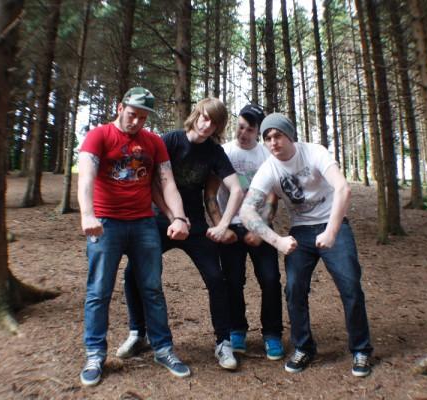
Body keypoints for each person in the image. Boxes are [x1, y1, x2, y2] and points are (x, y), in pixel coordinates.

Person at [240, 113, 373, 376]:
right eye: (267, 138)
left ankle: (361, 350)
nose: (273, 142)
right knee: (294, 288)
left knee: (350, 285)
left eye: (278, 135)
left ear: (290, 135)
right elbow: (246, 211)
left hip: (333, 224)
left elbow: (343, 189)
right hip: (301, 230)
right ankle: (303, 347)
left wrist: (331, 232)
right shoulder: (269, 168)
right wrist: (277, 240)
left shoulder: (314, 152)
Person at [117, 98, 245, 371]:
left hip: (195, 226)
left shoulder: (214, 152)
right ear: (195, 115)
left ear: (219, 127)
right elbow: (152, 181)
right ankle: (138, 333)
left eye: (214, 122)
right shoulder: (171, 141)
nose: (206, 125)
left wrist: (223, 225)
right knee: (132, 273)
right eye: (204, 117)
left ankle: (223, 342)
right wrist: (172, 216)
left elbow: (236, 189)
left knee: (216, 278)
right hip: (158, 220)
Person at [78, 87, 191, 386]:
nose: (136, 121)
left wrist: (178, 217)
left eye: (142, 117)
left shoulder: (153, 142)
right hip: (106, 223)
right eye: (132, 114)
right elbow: (86, 177)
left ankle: (163, 348)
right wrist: (88, 214)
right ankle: (95, 354)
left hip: (143, 223)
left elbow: (167, 182)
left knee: (152, 288)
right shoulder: (99, 136)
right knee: (99, 290)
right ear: (120, 108)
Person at [204, 104, 284, 360]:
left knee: (270, 279)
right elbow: (211, 194)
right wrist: (221, 226)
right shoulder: (224, 152)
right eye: (240, 127)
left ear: (258, 132)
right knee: (232, 281)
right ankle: (236, 329)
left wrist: (261, 228)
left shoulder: (266, 155)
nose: (243, 133)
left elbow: (272, 196)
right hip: (230, 227)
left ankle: (272, 334)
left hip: (260, 226)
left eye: (250, 129)